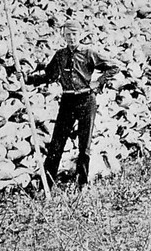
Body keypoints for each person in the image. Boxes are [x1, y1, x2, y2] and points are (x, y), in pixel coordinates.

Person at [25, 19, 119, 189]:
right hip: (67, 100)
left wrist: (98, 82)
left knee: (85, 145)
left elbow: (114, 67)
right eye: (67, 35)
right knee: (56, 143)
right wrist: (28, 79)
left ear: (80, 35)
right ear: (63, 36)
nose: (71, 38)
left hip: (86, 100)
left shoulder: (89, 53)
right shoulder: (60, 55)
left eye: (74, 34)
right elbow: (49, 76)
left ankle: (82, 184)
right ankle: (46, 185)